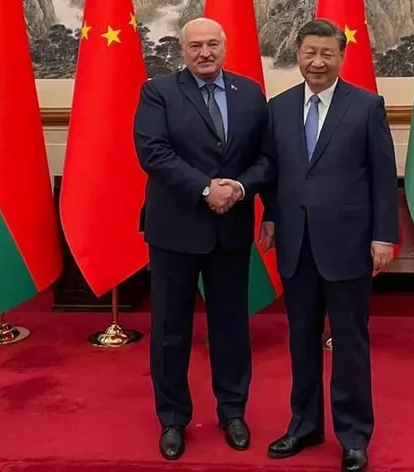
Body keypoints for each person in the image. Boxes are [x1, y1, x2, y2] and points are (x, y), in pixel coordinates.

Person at [231, 19, 399, 472]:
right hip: (295, 243)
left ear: (341, 57)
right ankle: (303, 425)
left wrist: (384, 235)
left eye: (327, 53)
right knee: (301, 341)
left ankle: (354, 435)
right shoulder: (279, 107)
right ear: (298, 55)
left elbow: (383, 177)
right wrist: (269, 214)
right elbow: (273, 169)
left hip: (349, 244)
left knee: (349, 344)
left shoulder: (366, 106)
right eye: (310, 53)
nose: (318, 62)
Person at [133, 17, 268, 461]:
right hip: (175, 229)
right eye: (195, 46)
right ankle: (172, 419)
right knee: (170, 331)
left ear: (224, 47)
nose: (204, 53)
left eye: (212, 44)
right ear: (182, 50)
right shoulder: (158, 92)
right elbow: (153, 153)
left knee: (231, 328)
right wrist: (207, 189)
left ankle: (233, 411)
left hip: (231, 228)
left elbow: (267, 156)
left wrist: (239, 188)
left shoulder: (250, 93)